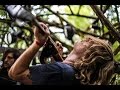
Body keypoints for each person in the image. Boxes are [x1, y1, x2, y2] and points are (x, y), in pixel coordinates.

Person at [8, 22, 116, 85]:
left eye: (90, 42)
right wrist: (59, 61)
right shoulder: (73, 76)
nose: (86, 38)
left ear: (89, 55)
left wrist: (37, 43)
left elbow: (15, 73)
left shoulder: (61, 71)